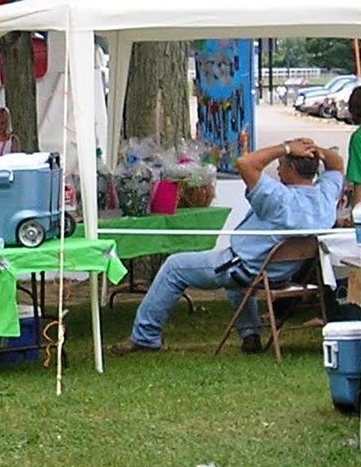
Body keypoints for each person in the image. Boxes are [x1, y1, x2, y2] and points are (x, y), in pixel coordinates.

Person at [111, 136, 345, 356]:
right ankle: (250, 334)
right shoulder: (325, 197)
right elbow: (337, 164)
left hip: (247, 269)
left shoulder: (278, 198)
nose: (277, 170)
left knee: (174, 267)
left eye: (281, 164)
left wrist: (286, 148)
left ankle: (145, 336)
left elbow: (245, 163)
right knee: (236, 274)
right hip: (281, 273)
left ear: (291, 169)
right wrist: (314, 149)